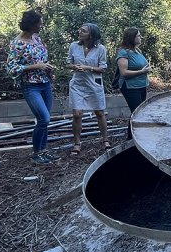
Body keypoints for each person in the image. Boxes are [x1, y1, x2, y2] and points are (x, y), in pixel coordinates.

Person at [6, 10, 58, 165]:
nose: (41, 26)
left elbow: (43, 59)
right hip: (31, 86)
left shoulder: (37, 39)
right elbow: (12, 68)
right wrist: (37, 66)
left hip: (45, 84)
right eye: (39, 23)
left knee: (45, 120)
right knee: (44, 118)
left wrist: (48, 71)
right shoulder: (17, 44)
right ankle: (37, 152)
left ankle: (44, 150)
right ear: (31, 25)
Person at [67, 23, 109, 154]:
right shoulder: (74, 46)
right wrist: (74, 67)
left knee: (99, 113)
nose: (80, 32)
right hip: (78, 84)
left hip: (93, 84)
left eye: (83, 31)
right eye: (80, 29)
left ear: (91, 34)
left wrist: (88, 68)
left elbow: (103, 68)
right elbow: (68, 63)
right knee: (77, 114)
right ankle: (77, 143)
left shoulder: (101, 49)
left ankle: (105, 140)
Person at [116, 27, 151, 113]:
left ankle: (133, 127)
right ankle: (132, 127)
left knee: (140, 113)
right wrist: (142, 72)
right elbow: (123, 72)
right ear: (132, 38)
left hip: (142, 85)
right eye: (138, 36)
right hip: (130, 87)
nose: (141, 37)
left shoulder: (137, 50)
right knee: (136, 113)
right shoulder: (123, 52)